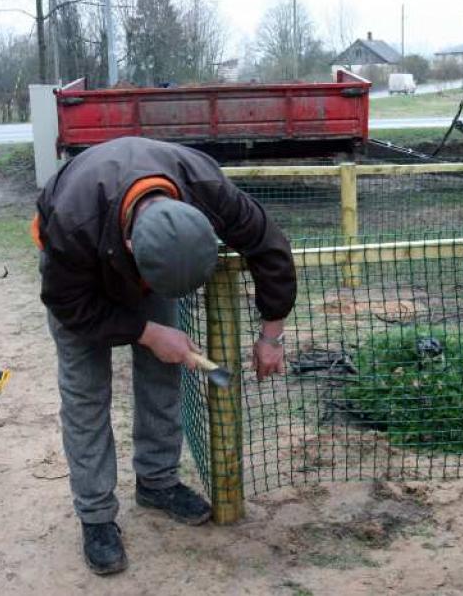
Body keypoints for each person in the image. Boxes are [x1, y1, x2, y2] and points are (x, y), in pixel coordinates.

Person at [34, 136, 297, 576]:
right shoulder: (73, 222)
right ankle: (97, 517)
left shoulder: (206, 187)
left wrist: (271, 336)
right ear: (135, 248)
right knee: (86, 396)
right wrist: (146, 330)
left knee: (163, 368)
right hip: (79, 274)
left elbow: (268, 246)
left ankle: (157, 482)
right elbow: (69, 305)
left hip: (138, 246)